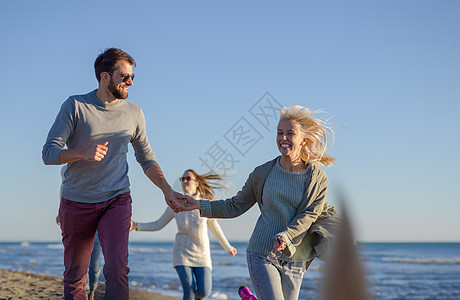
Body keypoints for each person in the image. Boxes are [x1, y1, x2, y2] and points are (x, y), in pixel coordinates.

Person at [42, 47, 184, 300]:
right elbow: (49, 153)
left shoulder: (134, 112)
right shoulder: (76, 106)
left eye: (132, 77)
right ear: (105, 77)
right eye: (124, 77)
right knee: (76, 274)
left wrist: (166, 189)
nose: (130, 82)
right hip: (76, 200)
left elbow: (146, 157)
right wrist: (81, 152)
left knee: (117, 268)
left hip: (116, 199)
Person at [180, 105, 341, 300]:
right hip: (262, 252)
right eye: (279, 133)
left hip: (295, 258)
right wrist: (199, 204)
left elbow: (309, 214)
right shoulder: (263, 173)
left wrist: (287, 236)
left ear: (303, 139)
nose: (283, 138)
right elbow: (235, 205)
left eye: (290, 133)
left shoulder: (317, 178)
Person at [131, 169, 238, 300]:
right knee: (189, 292)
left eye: (188, 178)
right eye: (183, 179)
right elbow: (158, 224)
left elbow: (216, 229)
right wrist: (136, 225)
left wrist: (228, 247)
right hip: (182, 254)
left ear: (197, 183)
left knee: (204, 292)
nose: (185, 181)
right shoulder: (175, 203)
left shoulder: (203, 204)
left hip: (202, 256)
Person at [55, 166, 103, 300]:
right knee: (79, 262)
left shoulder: (98, 163)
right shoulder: (65, 169)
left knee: (94, 264)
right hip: (77, 217)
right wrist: (61, 209)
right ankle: (82, 293)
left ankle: (91, 292)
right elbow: (64, 188)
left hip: (98, 217)